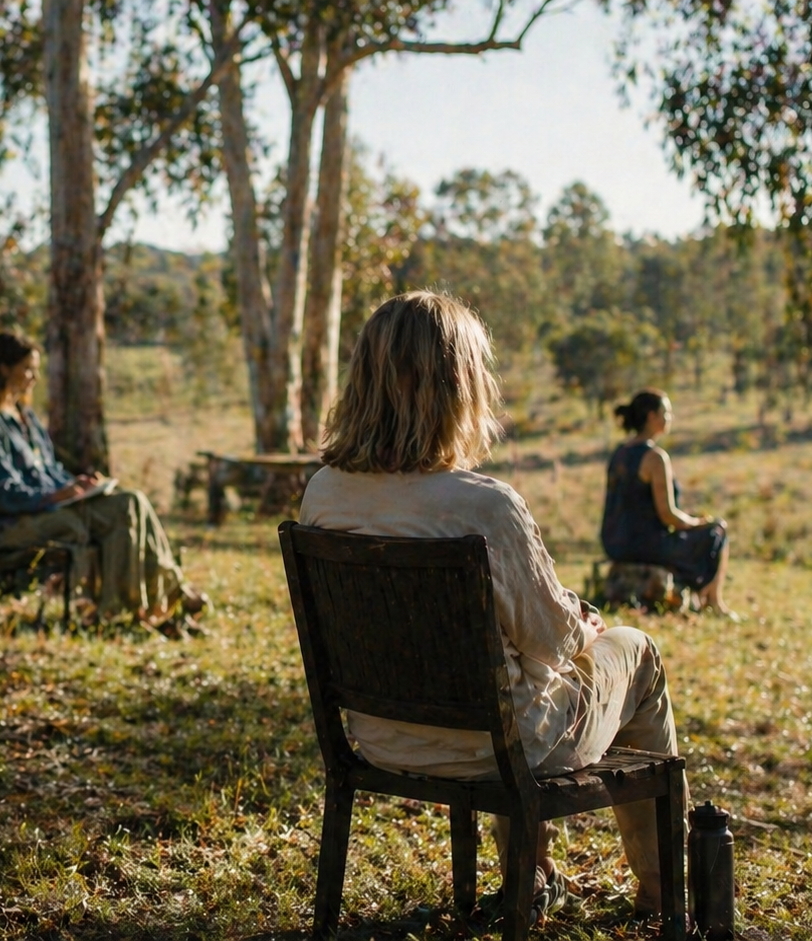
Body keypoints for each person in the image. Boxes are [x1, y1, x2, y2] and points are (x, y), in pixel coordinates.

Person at [299, 291, 682, 922]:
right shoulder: (486, 506)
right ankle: (665, 895)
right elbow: (553, 643)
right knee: (634, 651)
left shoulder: (324, 491)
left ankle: (530, 876)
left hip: (381, 738)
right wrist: (583, 623)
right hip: (496, 749)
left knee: (519, 676)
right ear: (460, 387)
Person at [0, 333, 206, 631]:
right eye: (27, 369)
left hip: (45, 509)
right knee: (122, 511)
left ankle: (146, 603)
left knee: (133, 501)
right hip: (12, 522)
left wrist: (77, 485)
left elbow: (49, 469)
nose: (34, 378)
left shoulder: (25, 416)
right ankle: (134, 605)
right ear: (3, 368)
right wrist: (53, 497)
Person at [600, 390, 733, 616]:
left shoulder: (619, 453)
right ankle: (714, 602)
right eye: (666, 412)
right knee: (717, 531)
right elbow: (668, 515)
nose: (670, 418)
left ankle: (708, 600)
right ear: (652, 417)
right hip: (645, 544)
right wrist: (698, 523)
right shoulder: (655, 457)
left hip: (613, 541)